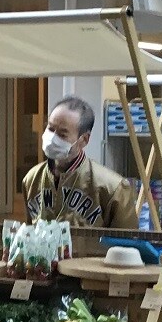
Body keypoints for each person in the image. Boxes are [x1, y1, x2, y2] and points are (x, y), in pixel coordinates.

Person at [22, 96, 138, 229]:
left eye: (62, 134)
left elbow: (128, 245)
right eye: (50, 128)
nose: (53, 138)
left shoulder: (113, 188)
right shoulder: (31, 180)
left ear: (84, 139)